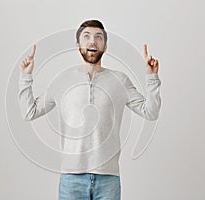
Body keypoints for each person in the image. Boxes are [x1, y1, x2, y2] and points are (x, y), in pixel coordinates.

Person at [18, 19, 161, 200]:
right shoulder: (62, 80)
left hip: (108, 179)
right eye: (86, 37)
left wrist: (152, 77)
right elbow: (29, 112)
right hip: (71, 178)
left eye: (98, 37)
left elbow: (151, 112)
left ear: (105, 46)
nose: (92, 42)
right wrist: (25, 76)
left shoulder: (120, 80)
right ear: (78, 45)